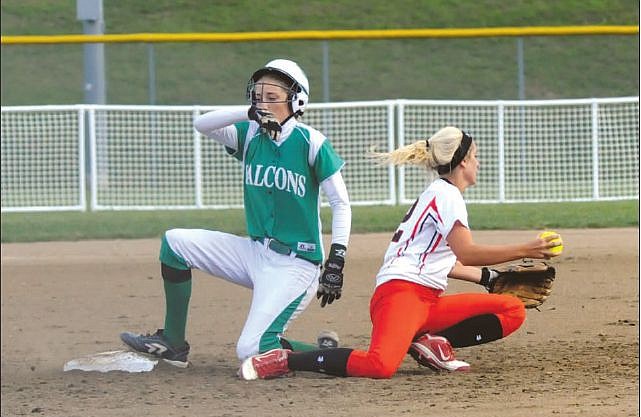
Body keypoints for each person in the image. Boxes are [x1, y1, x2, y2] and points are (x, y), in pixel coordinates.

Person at [238, 126, 560, 380]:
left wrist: (488, 278)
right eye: (475, 156)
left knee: (511, 309)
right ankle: (285, 359)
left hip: (426, 301)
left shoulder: (442, 195)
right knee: (380, 365)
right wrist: (528, 248)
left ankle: (427, 340)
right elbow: (468, 251)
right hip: (400, 296)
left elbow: (444, 262)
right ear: (462, 162)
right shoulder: (446, 195)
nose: (479, 162)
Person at [120, 58, 352, 367]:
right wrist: (249, 114)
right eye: (258, 97)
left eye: (272, 97)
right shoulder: (250, 134)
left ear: (297, 101)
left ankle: (326, 354)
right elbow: (201, 124)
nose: (262, 103)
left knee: (251, 350)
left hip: (295, 265)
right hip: (255, 252)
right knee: (174, 243)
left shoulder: (312, 143)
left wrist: (336, 258)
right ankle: (173, 343)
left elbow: (341, 204)